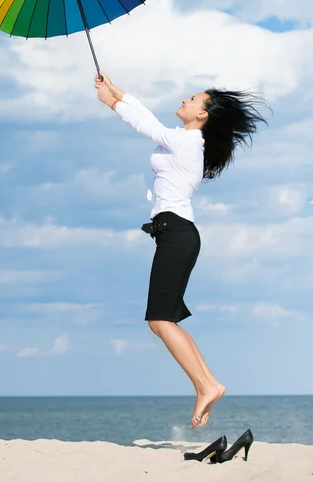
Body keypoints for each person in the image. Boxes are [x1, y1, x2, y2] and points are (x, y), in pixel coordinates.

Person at [95, 71, 271, 429]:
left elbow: (146, 126)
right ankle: (211, 383)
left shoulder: (188, 144)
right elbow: (149, 120)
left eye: (192, 99)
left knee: (158, 320)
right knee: (164, 320)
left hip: (176, 233)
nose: (185, 100)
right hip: (174, 234)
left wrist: (113, 102)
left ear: (202, 114)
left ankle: (206, 385)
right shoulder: (182, 140)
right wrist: (114, 90)